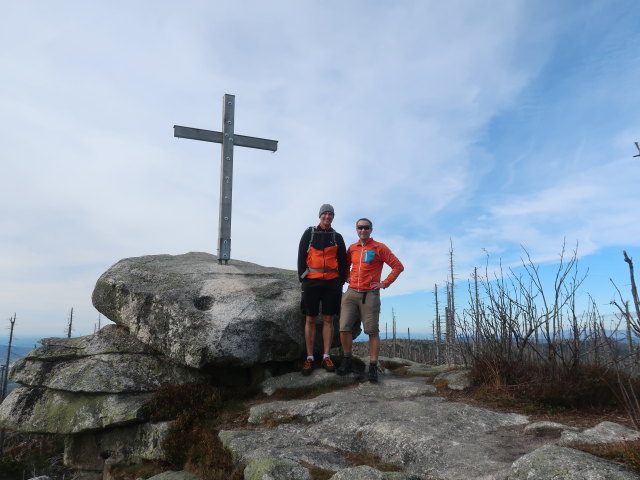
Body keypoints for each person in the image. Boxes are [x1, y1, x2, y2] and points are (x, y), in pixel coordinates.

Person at [337, 218, 404, 382]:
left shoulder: (379, 247)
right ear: (356, 229)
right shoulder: (352, 248)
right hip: (351, 292)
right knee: (344, 327)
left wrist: (384, 283)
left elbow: (398, 266)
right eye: (360, 227)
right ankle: (347, 361)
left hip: (370, 294)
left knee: (372, 331)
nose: (363, 230)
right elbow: (345, 264)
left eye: (366, 227)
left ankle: (373, 367)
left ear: (371, 230)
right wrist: (346, 276)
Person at [297, 204, 348, 376]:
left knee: (328, 318)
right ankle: (309, 358)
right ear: (320, 216)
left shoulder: (337, 237)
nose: (327, 216)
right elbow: (301, 256)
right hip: (311, 282)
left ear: (333, 217)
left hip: (331, 283)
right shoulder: (309, 233)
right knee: (310, 318)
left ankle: (326, 356)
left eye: (330, 214)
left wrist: (340, 282)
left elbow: (343, 261)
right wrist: (303, 277)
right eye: (325, 213)